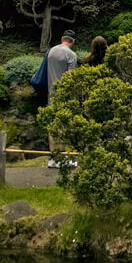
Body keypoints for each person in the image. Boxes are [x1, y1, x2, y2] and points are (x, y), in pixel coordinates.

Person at [46, 30, 78, 168]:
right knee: (63, 127)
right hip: (64, 96)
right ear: (73, 41)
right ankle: (62, 159)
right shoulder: (71, 55)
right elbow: (71, 78)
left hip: (51, 93)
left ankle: (53, 158)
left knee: (52, 127)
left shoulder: (51, 51)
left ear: (62, 39)